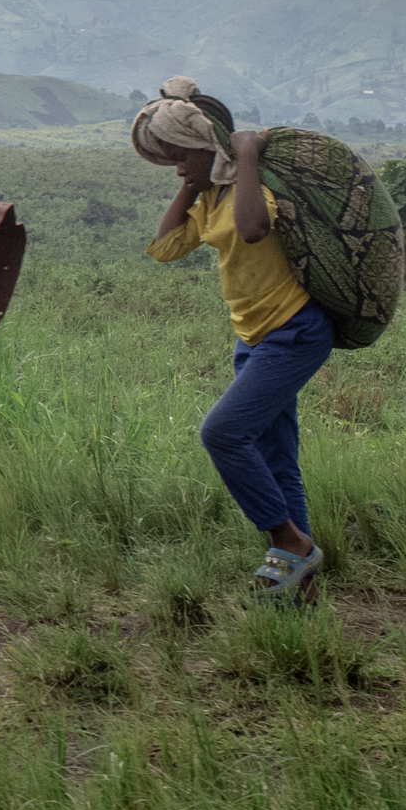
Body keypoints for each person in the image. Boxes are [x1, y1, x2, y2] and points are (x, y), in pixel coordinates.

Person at [135, 78, 333, 603]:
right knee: (276, 456)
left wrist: (241, 156)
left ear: (210, 149)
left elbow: (251, 229)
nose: (176, 166)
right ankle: (302, 587)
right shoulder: (210, 198)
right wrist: (193, 180)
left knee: (222, 434)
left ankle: (287, 541)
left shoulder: (251, 188)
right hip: (253, 338)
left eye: (181, 156)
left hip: (294, 331)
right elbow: (163, 247)